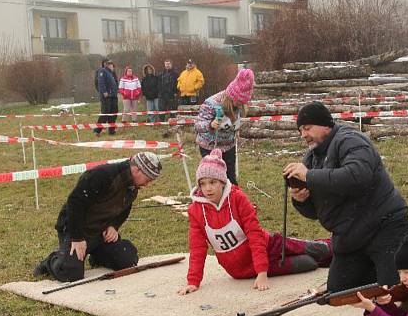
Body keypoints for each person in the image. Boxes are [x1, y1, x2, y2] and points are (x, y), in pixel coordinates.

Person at [283, 102, 408, 293]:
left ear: (325, 124)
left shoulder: (351, 140)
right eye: (300, 130)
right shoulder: (312, 157)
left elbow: (357, 176)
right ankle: (376, 270)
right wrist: (301, 200)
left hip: (383, 226)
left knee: (394, 290)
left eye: (307, 128)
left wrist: (309, 176)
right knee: (339, 291)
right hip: (350, 236)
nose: (303, 135)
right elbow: (318, 211)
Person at [177, 149, 332, 295]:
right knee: (309, 263)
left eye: (212, 182)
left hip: (269, 246)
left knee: (319, 250)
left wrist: (262, 272)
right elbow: (197, 247)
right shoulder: (195, 211)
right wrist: (193, 281)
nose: (208, 188)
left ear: (223, 182)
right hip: (241, 271)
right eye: (202, 183)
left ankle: (341, 247)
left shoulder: (238, 198)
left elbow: (254, 234)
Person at [33, 152, 162, 282]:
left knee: (128, 260)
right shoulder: (102, 175)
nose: (147, 184)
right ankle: (51, 261)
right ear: (137, 169)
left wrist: (114, 226)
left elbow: (125, 207)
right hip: (76, 229)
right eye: (148, 179)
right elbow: (75, 202)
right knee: (71, 273)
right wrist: (77, 238)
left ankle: (98, 257)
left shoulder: (133, 184)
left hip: (101, 232)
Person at [194, 69, 255, 185]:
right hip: (210, 147)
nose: (239, 104)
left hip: (229, 147)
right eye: (237, 101)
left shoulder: (239, 106)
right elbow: (197, 125)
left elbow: (234, 124)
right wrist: (210, 125)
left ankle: (232, 201)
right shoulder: (212, 103)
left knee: (230, 180)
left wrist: (236, 132)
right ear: (231, 96)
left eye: (242, 102)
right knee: (213, 179)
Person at [94, 59, 119, 136]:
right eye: (111, 65)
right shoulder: (102, 71)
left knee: (114, 113)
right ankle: (97, 130)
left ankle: (111, 130)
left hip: (113, 96)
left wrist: (116, 90)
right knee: (105, 113)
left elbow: (115, 82)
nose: (113, 67)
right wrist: (104, 92)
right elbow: (100, 82)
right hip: (106, 96)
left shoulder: (112, 73)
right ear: (108, 65)